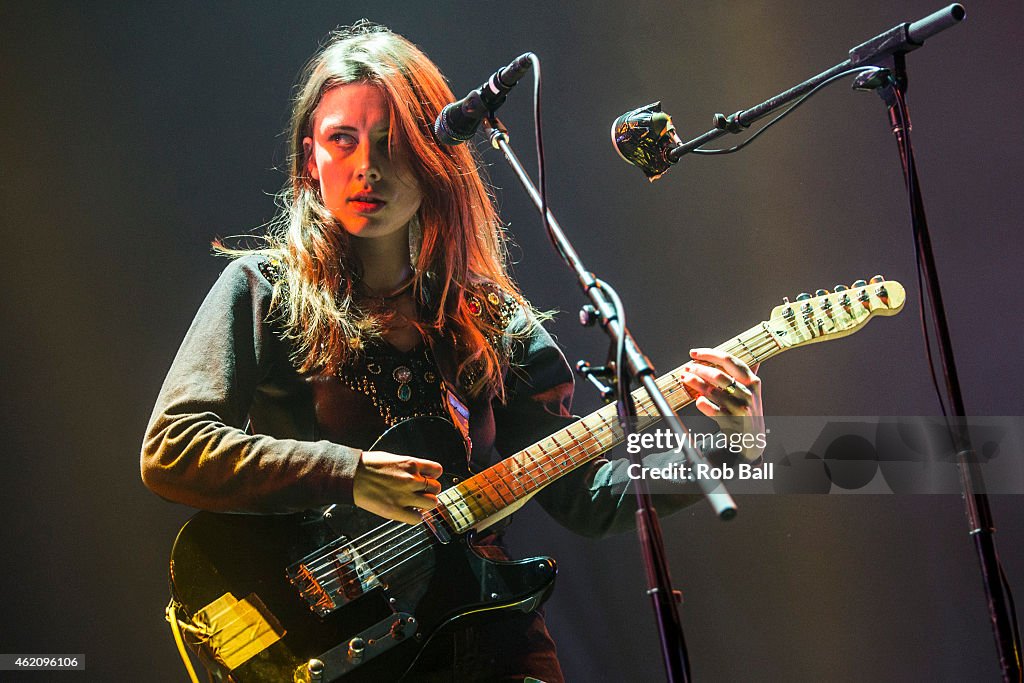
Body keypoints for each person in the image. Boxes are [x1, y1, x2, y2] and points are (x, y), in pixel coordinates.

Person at [141, 21, 763, 682]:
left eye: (391, 144)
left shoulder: (494, 319)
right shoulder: (264, 291)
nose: (367, 167)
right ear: (308, 160)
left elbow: (590, 494)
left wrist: (734, 448)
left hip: (484, 635)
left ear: (435, 156)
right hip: (331, 643)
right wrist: (348, 470)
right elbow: (172, 447)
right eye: (341, 141)